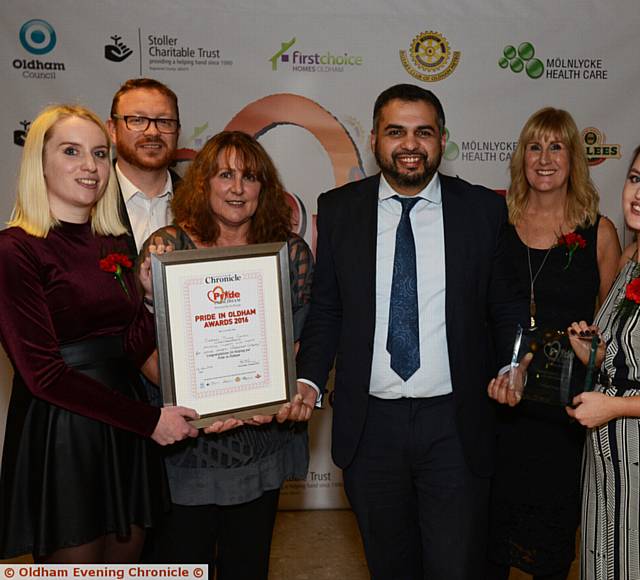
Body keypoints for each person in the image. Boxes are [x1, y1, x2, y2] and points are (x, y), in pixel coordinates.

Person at [294, 83, 528, 579]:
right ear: (376, 137)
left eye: (423, 132)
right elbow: (327, 308)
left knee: (454, 566)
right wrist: (309, 379)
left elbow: (506, 304)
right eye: (396, 131)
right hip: (370, 427)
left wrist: (512, 364)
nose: (410, 144)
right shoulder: (339, 210)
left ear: (442, 139)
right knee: (389, 565)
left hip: (455, 425)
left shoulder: (481, 210)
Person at [0, 104, 199, 563]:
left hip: (123, 425)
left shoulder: (112, 240)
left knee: (126, 564)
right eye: (72, 151)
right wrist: (149, 421)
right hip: (65, 433)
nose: (90, 166)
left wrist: (150, 302)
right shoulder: (15, 249)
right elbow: (42, 376)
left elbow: (125, 349)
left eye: (99, 153)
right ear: (40, 161)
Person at [140, 130, 314, 580]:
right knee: (181, 564)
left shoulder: (289, 253)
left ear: (265, 188)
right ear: (204, 183)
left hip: (260, 441)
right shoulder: (166, 248)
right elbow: (140, 344)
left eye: (250, 177)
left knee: (247, 565)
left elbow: (299, 340)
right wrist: (198, 402)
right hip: (187, 445)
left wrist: (267, 396)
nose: (238, 188)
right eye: (225, 175)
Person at [486, 108, 621, 580]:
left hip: (561, 421)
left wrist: (593, 351)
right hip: (498, 408)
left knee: (549, 552)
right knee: (486, 545)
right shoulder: (494, 225)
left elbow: (611, 337)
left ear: (574, 158)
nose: (544, 158)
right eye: (534, 146)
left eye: (556, 146)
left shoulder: (599, 232)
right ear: (521, 157)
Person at [565, 145, 640, 580]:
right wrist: (592, 351)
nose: (637, 192)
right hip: (605, 459)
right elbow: (624, 358)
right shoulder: (629, 260)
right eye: (635, 178)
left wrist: (614, 407)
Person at [107, 78, 181, 255]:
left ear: (178, 131)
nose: (153, 132)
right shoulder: (89, 202)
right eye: (137, 120)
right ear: (113, 130)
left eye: (164, 121)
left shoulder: (202, 205)